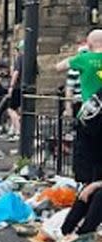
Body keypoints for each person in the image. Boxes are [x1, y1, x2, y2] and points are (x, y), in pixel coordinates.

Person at [56, 29, 102, 187]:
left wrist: (81, 56)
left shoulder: (84, 58)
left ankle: (87, 186)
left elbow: (59, 67)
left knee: (86, 152)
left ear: (89, 44)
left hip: (90, 113)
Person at [6, 42, 24, 136]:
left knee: (11, 109)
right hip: (26, 88)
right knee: (19, 110)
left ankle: (18, 130)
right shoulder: (31, 59)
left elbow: (16, 73)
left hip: (17, 87)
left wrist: (11, 86)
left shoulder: (20, 58)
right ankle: (13, 129)